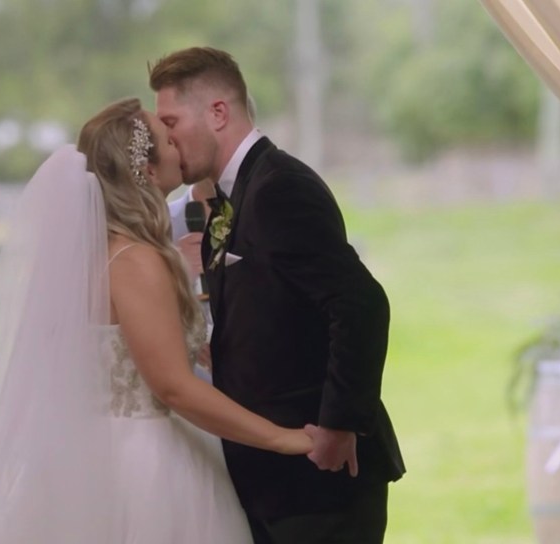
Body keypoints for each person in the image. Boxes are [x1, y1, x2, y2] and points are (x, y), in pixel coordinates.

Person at [0, 97, 313, 544]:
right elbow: (173, 387)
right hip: (145, 467)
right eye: (168, 139)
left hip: (94, 456)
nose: (179, 145)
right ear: (146, 171)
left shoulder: (101, 254)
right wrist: (282, 439)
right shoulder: (135, 259)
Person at [150, 46, 406, 544]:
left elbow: (361, 304)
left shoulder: (279, 188)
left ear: (218, 113)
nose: (167, 138)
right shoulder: (237, 193)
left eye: (172, 121)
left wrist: (337, 427)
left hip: (319, 480)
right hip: (274, 480)